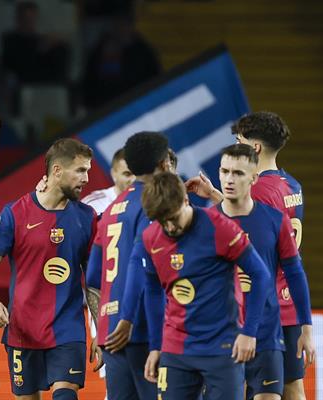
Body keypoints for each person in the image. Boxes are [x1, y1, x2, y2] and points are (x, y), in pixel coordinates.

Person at [186, 112, 310, 400]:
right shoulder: (292, 184)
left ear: (254, 148)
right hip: (287, 303)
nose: (237, 147)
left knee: (239, 388)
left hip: (262, 307)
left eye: (240, 141)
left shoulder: (260, 191)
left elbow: (246, 230)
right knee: (292, 388)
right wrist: (217, 195)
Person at [122, 172, 271, 400]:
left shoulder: (220, 228)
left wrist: (249, 332)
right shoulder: (150, 237)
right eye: (162, 221)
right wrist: (156, 345)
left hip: (222, 346)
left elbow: (260, 274)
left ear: (185, 201)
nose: (169, 227)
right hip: (176, 348)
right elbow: (153, 290)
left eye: (173, 217)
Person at [0, 138, 98, 400]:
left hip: (68, 328)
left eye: (87, 170)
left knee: (66, 395)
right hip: (22, 331)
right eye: (80, 170)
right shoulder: (15, 213)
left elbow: (94, 281)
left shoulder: (87, 217)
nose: (86, 178)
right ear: (56, 171)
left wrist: (100, 329)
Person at [214, 144, 314, 400]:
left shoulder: (268, 209)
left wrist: (307, 328)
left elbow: (292, 271)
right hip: (226, 329)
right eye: (224, 171)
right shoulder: (291, 184)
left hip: (269, 324)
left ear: (253, 178)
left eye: (237, 173)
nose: (229, 178)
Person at [85, 132, 171, 400]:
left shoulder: (111, 209)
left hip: (111, 331)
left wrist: (104, 326)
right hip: (145, 327)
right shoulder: (155, 204)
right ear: (163, 164)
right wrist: (130, 318)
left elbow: (92, 277)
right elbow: (144, 263)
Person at [82, 148, 136, 215]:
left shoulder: (151, 198)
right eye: (127, 174)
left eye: (139, 173)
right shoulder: (93, 205)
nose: (134, 179)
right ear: (113, 174)